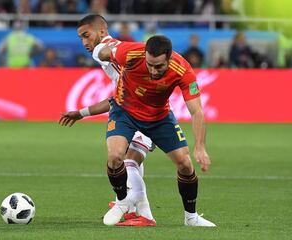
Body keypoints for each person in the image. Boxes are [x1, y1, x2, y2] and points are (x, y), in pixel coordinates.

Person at [60, 33, 216, 227]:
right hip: (124, 112)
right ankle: (124, 201)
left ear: (169, 58)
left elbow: (197, 111)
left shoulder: (183, 70)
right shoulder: (131, 53)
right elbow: (105, 52)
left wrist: (200, 147)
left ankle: (191, 218)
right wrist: (102, 52)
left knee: (185, 164)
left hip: (159, 118)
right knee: (115, 156)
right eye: (149, 64)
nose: (153, 70)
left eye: (158, 66)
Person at [72, 14, 156, 227]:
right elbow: (118, 95)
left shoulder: (104, 51)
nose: (84, 43)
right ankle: (133, 206)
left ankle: (139, 211)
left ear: (101, 32)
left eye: (86, 35)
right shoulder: (111, 52)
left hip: (146, 110)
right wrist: (82, 113)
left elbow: (135, 56)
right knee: (131, 158)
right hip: (133, 107)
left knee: (129, 159)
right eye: (81, 38)